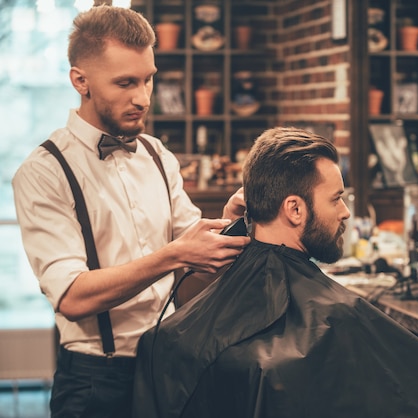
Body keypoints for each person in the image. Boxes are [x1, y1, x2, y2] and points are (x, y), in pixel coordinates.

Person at [132, 127, 418, 418]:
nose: (345, 212)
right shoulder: (340, 316)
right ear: (294, 209)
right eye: (337, 199)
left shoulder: (170, 336)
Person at [11, 5, 249, 418]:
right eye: (125, 83)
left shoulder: (158, 154)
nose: (142, 98)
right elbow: (72, 296)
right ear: (80, 81)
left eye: (148, 80)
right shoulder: (44, 171)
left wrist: (229, 225)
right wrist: (173, 254)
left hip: (169, 366)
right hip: (95, 383)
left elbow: (193, 273)